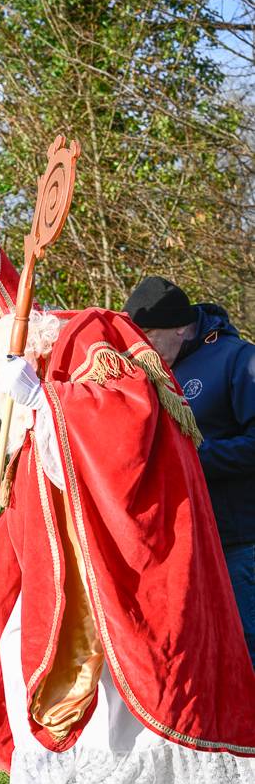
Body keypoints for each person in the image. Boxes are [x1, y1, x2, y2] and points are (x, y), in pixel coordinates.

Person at [0, 223, 255, 784]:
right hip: (68, 569)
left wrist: (45, 400)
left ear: (13, 332)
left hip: (133, 554)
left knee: (164, 673)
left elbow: (129, 418)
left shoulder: (92, 335)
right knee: (24, 652)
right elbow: (16, 516)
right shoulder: (23, 387)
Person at [124, 276, 255, 665]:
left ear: (181, 325)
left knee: (248, 647)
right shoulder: (153, 371)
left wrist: (194, 459)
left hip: (241, 541)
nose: (140, 347)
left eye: (148, 334)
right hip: (182, 545)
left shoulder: (239, 360)